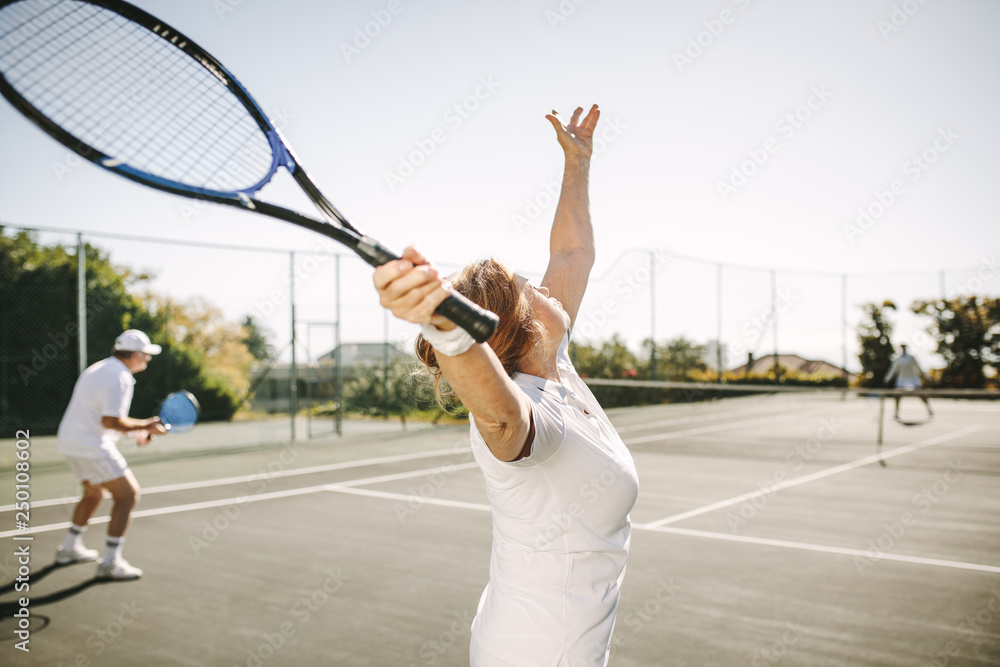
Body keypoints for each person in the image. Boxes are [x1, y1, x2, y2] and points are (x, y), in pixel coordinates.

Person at [374, 104, 639, 666]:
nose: (546, 286)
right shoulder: (527, 412)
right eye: (529, 287)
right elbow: (500, 418)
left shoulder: (554, 363)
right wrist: (447, 332)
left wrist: (578, 164)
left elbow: (573, 252)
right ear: (520, 325)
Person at [55, 329, 168, 580]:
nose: (148, 359)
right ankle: (109, 563)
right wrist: (146, 426)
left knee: (93, 492)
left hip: (69, 442)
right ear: (136, 354)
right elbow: (110, 420)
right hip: (90, 445)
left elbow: (99, 417)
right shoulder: (120, 376)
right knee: (128, 495)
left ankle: (69, 549)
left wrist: (135, 433)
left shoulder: (99, 368)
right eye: (146, 355)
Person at [884, 343, 932, 419]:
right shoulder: (897, 359)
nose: (903, 349)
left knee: (921, 394)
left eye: (904, 347)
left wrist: (927, 377)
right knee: (897, 396)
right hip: (902, 379)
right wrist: (887, 379)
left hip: (913, 378)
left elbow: (919, 367)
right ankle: (896, 412)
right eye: (902, 347)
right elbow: (893, 370)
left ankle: (929, 409)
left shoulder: (911, 358)